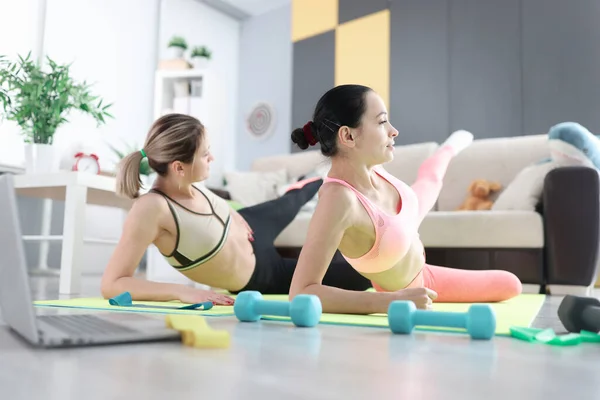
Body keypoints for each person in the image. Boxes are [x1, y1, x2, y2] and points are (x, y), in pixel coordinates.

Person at [288, 84, 522, 314]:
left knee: (430, 179)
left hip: (404, 221)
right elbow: (301, 292)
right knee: (510, 284)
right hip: (417, 281)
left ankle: (448, 149)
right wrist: (393, 301)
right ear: (348, 135)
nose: (394, 130)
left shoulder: (371, 167)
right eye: (381, 122)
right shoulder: (338, 200)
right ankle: (446, 151)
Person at [100, 113, 371, 305]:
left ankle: (313, 181)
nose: (212, 158)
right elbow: (112, 284)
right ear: (178, 167)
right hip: (261, 272)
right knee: (357, 276)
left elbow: (209, 210)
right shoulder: (151, 209)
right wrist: (181, 292)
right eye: (206, 155)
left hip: (251, 225)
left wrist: (233, 215)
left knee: (296, 197)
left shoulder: (188, 181)